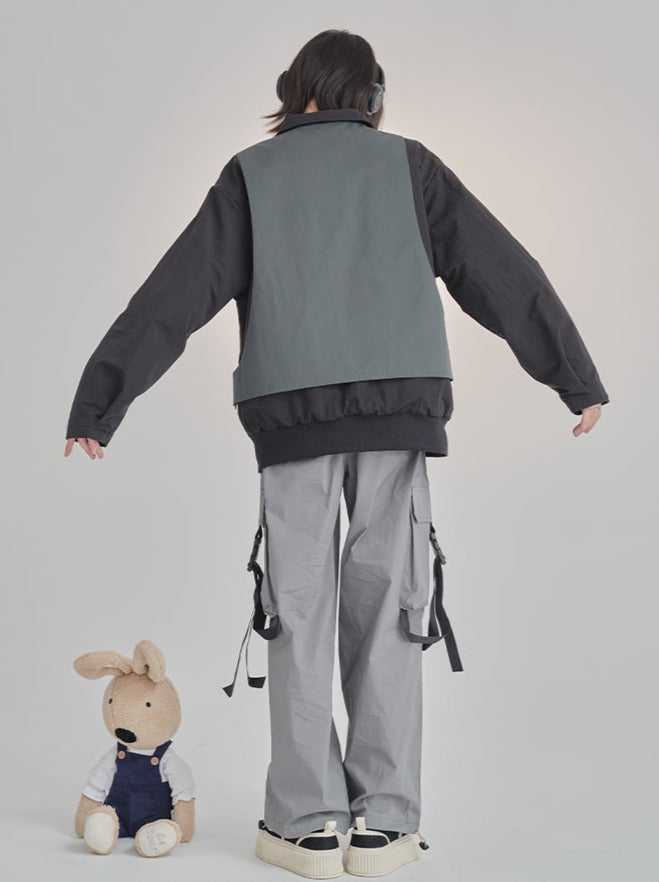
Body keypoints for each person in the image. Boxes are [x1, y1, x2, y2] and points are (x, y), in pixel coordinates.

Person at [64, 29, 609, 880]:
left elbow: (174, 293)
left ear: (296, 90)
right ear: (371, 95)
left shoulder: (251, 174)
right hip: (399, 414)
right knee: (390, 609)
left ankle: (307, 824)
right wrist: (573, 378)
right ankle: (384, 826)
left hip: (291, 420)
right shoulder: (409, 165)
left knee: (297, 611)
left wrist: (101, 403)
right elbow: (502, 271)